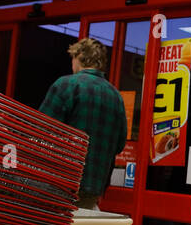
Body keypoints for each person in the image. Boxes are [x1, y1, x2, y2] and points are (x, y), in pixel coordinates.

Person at [38, 36, 128, 209]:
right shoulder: (116, 96)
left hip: (59, 182)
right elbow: (119, 145)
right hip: (94, 186)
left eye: (73, 58)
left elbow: (42, 130)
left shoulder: (66, 85)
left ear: (79, 57)